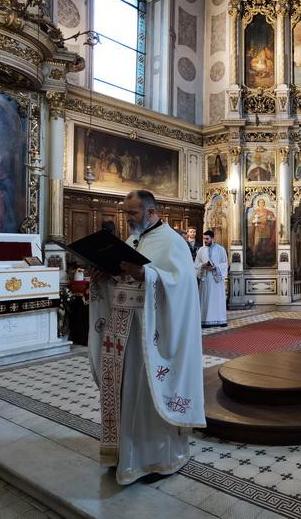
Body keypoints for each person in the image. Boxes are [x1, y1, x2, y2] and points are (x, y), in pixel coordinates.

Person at [87, 190, 205, 485]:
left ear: (152, 212)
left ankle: (157, 459)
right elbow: (123, 277)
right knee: (126, 393)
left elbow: (183, 286)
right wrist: (106, 275)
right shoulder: (130, 241)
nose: (127, 219)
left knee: (147, 394)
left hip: (152, 337)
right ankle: (125, 455)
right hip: (123, 331)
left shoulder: (172, 242)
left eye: (133, 213)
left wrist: (148, 276)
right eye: (126, 213)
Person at [195, 230, 228, 328]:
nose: (205, 240)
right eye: (204, 238)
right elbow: (196, 264)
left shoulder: (220, 250)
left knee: (217, 299)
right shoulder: (201, 250)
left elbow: (225, 264)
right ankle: (205, 320)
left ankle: (220, 320)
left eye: (207, 239)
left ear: (213, 239)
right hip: (205, 279)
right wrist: (203, 265)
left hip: (216, 280)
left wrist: (215, 267)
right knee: (205, 299)